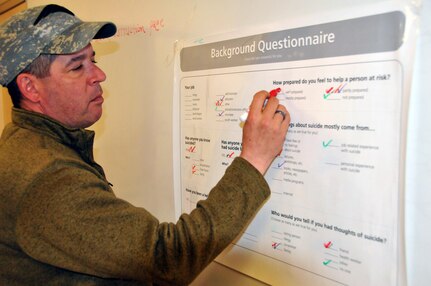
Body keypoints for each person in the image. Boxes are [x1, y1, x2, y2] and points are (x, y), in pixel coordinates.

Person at [0, 4, 290, 285]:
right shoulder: (46, 178)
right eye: (77, 67)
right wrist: (253, 159)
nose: (99, 76)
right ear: (30, 87)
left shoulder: (25, 143)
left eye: (94, 60)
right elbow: (167, 259)